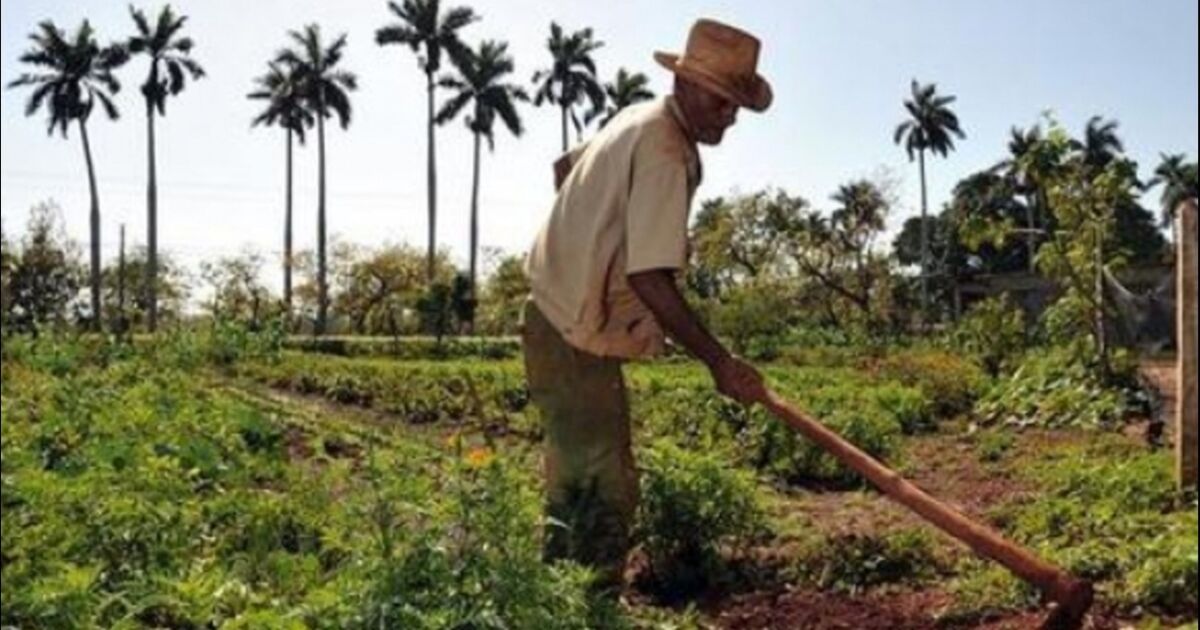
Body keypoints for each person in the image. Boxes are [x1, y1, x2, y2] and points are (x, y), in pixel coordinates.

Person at [521, 18, 774, 592]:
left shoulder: (636, 116)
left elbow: (565, 168)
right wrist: (719, 361)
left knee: (578, 473)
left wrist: (586, 236)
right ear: (685, 84)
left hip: (555, 314)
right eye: (721, 99)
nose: (729, 115)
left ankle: (558, 598)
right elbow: (651, 278)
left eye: (736, 105)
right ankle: (587, 605)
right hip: (570, 330)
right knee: (604, 485)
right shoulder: (665, 148)